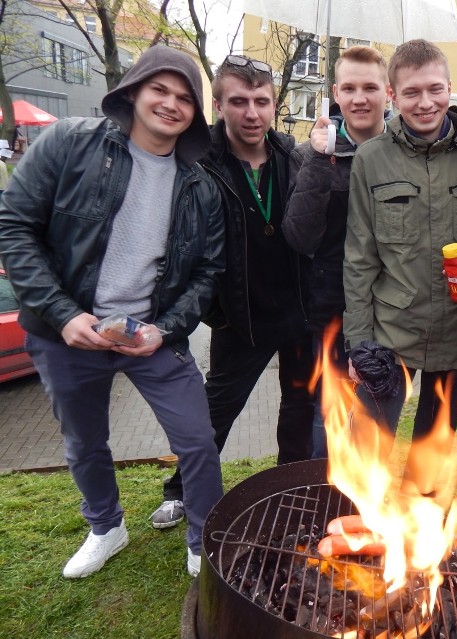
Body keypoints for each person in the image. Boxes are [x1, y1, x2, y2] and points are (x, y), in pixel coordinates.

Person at [0, 44, 225, 578]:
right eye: (159, 90)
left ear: (195, 112)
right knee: (84, 442)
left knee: (196, 438)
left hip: (151, 336)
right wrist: (62, 314)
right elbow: (14, 227)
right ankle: (106, 526)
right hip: (66, 333)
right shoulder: (67, 144)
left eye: (184, 98)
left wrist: (164, 330)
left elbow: (207, 273)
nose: (170, 104)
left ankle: (205, 536)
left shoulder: (201, 187)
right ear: (134, 90)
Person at [149, 54, 314, 528]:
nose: (251, 113)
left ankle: (292, 482)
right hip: (240, 317)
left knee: (299, 407)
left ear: (274, 105)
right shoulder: (200, 163)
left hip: (298, 311)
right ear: (219, 104)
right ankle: (182, 489)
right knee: (215, 411)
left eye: (261, 101)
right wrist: (216, 314)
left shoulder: (291, 154)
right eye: (238, 101)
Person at [343, 39, 457, 450]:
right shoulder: (370, 159)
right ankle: (349, 516)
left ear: (450, 87)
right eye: (411, 92)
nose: (425, 102)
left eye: (435, 89)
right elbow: (359, 258)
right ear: (393, 95)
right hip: (392, 334)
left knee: (432, 456)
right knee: (366, 449)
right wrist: (359, 345)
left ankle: (421, 515)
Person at [283, 45, 391, 459]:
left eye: (370, 87)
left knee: (376, 409)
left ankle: (366, 507)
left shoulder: (404, 155)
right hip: (329, 307)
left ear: (388, 92)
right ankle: (319, 502)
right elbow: (300, 237)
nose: (360, 98)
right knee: (327, 410)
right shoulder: (309, 154)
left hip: (388, 308)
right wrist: (316, 159)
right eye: (349, 88)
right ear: (335, 93)